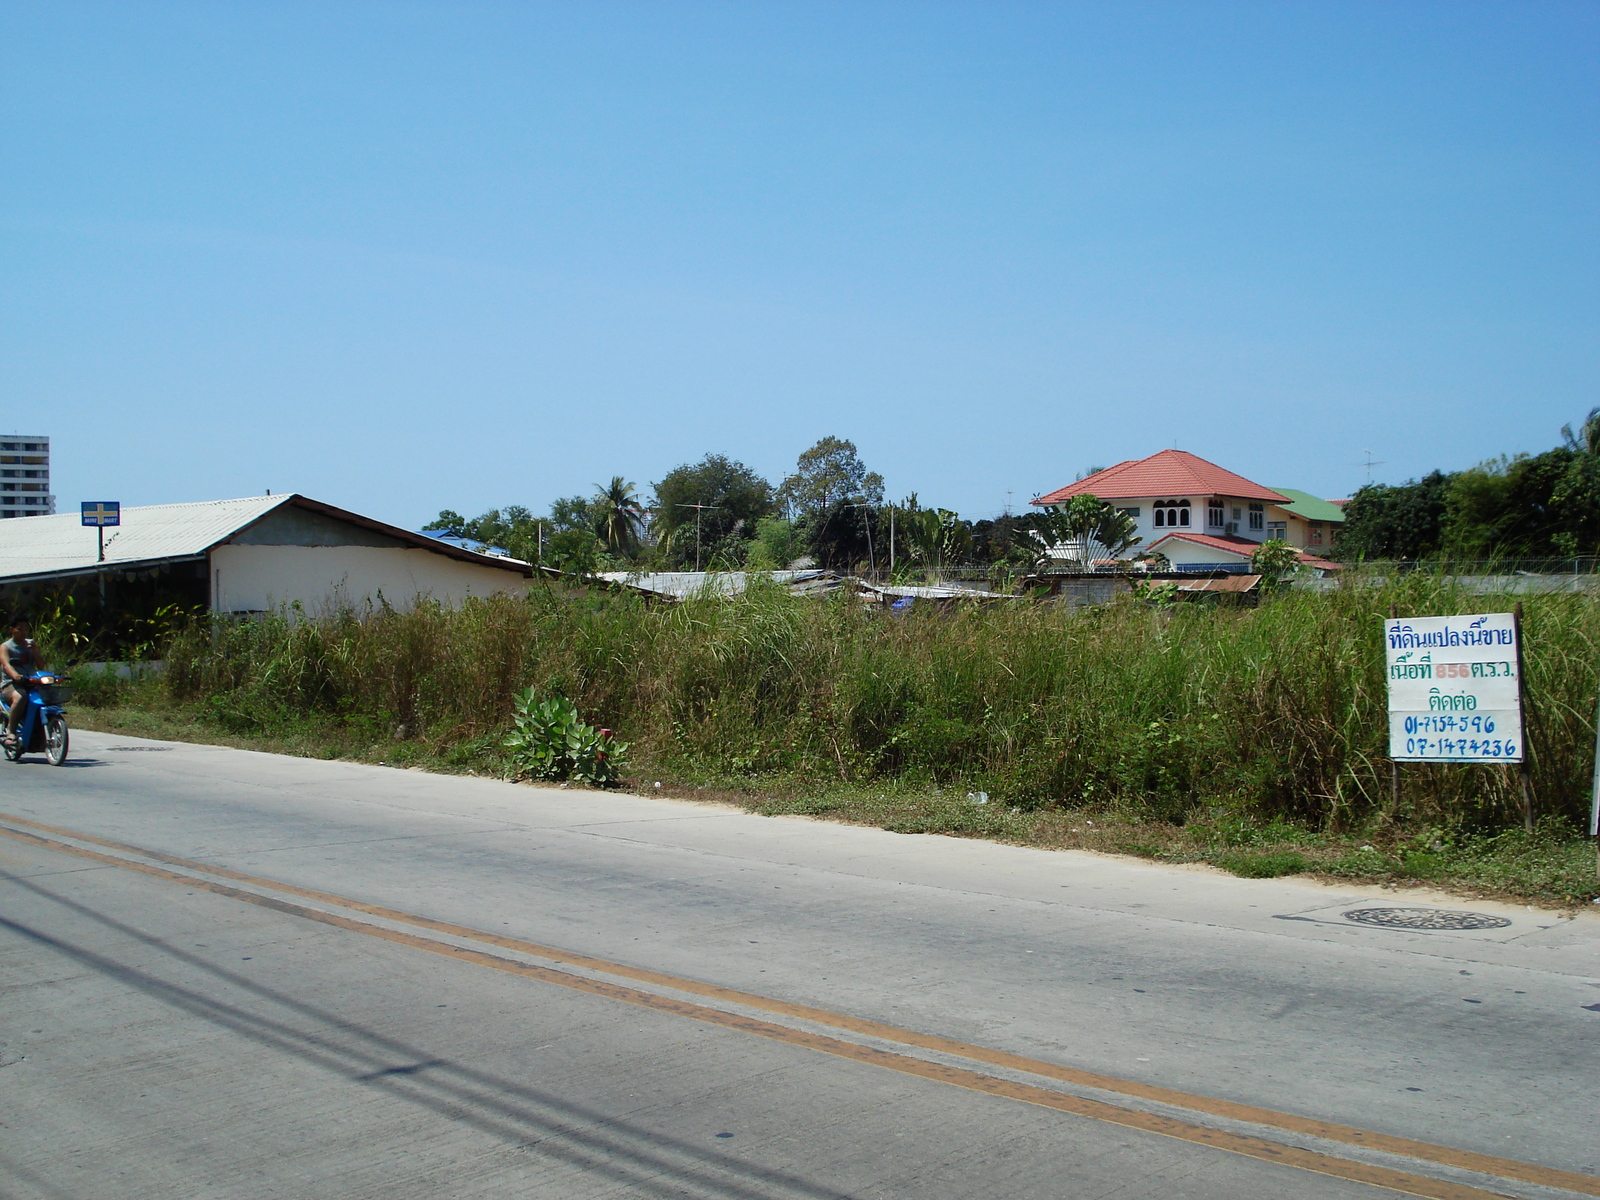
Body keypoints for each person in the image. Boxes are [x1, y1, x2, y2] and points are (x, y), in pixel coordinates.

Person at [1, 613, 47, 747]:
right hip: (11, 683)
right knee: (21, 697)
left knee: (49, 697)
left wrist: (35, 651)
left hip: (31, 681)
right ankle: (11, 731)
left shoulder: (30, 645)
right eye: (19, 629)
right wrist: (15, 675)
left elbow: (41, 666)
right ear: (12, 629)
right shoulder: (6, 646)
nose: (23, 632)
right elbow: (6, 664)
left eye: (25, 629)